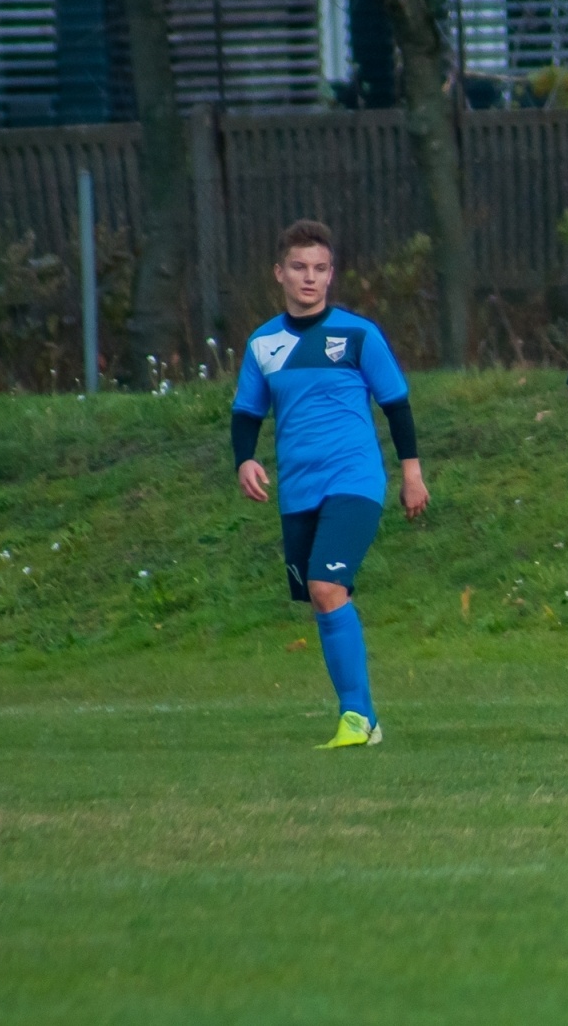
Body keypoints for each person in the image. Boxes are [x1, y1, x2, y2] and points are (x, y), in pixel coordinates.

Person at [231, 219, 429, 749]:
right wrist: (244, 461)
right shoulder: (263, 344)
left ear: (331, 274)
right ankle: (364, 718)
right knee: (322, 599)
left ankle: (356, 719)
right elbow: (247, 412)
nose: (309, 278)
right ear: (279, 273)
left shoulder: (358, 336)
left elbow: (397, 406)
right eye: (299, 268)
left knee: (326, 585)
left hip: (355, 480)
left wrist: (411, 473)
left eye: (319, 269)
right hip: (298, 490)